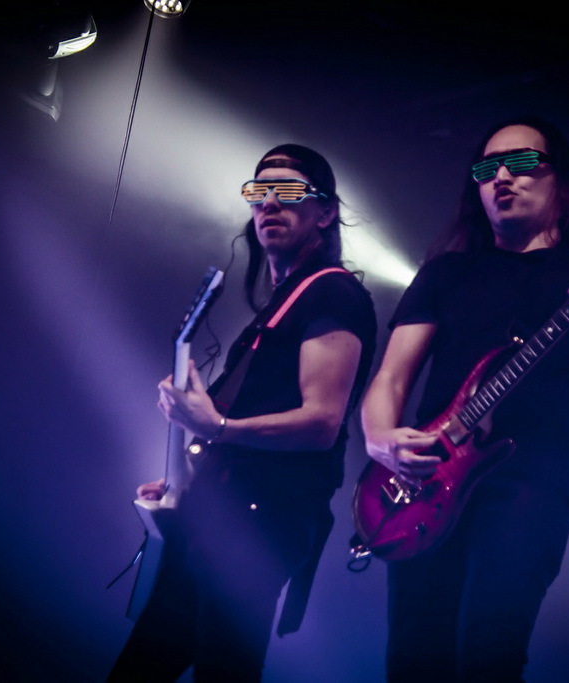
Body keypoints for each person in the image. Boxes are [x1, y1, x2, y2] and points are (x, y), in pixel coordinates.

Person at [360, 115, 569, 681]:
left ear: (561, 183)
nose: (501, 177)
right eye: (487, 168)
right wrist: (380, 440)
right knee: (412, 659)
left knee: (489, 649)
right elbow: (391, 379)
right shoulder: (448, 272)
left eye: (522, 163)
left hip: (533, 482)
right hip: (430, 480)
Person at [109, 144, 376, 682]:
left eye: (288, 191)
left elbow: (322, 423)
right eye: (258, 192)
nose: (269, 203)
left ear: (325, 212)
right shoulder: (282, 304)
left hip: (261, 518)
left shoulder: (334, 292)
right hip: (220, 509)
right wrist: (187, 478)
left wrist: (218, 426)